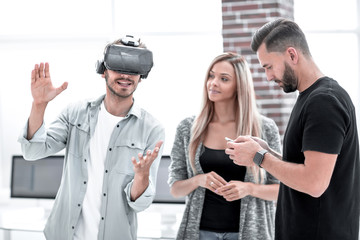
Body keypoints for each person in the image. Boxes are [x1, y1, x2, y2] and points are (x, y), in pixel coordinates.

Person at [18, 35, 165, 240]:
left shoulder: (152, 129)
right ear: (103, 70)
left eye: (133, 70)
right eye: (119, 67)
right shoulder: (75, 114)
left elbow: (140, 204)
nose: (126, 76)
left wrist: (141, 176)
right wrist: (39, 105)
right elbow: (32, 151)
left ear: (142, 75)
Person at [225, 18, 360, 240]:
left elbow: (314, 183)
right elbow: (305, 167)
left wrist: (260, 157)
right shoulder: (312, 98)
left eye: (268, 67)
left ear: (292, 55)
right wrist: (266, 151)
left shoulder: (323, 102)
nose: (268, 77)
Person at [168, 52, 282, 240]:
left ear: (239, 86)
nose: (213, 83)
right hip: (199, 233)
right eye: (211, 76)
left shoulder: (264, 129)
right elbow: (175, 188)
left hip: (250, 234)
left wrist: (249, 189)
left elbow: (280, 190)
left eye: (224, 79)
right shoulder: (188, 128)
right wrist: (199, 180)